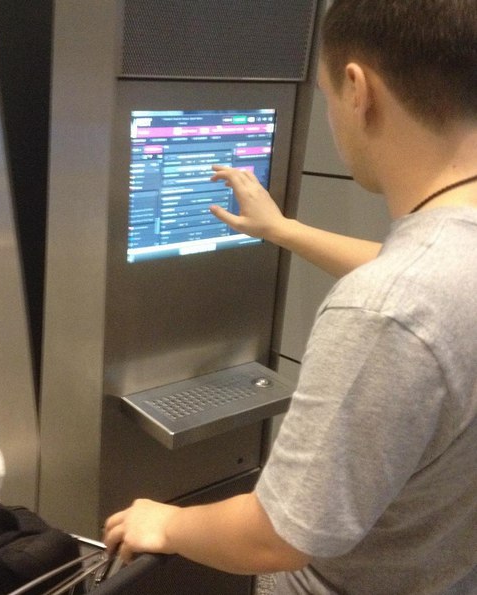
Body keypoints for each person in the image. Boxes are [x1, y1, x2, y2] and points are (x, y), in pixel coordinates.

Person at [103, 0, 477, 593]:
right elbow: (436, 278)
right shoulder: (441, 264)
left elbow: (276, 536)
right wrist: (282, 230)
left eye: (325, 95)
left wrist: (167, 523)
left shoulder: (383, 310)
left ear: (357, 90)